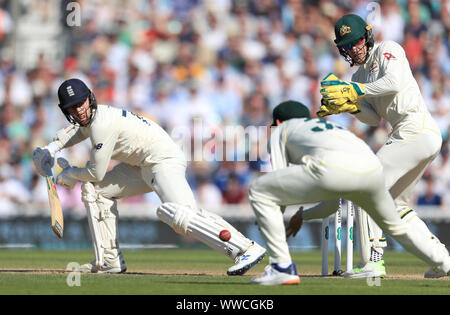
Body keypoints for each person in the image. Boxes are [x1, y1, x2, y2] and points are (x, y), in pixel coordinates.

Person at [32, 78, 265, 274]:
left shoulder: (101, 123)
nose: (79, 111)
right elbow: (78, 131)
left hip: (162, 160)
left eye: (81, 103)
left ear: (90, 97)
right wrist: (51, 149)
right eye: (72, 108)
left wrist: (70, 174)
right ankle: (108, 261)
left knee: (178, 215)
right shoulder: (93, 118)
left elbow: (95, 172)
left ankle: (244, 248)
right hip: (140, 165)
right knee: (96, 191)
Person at [248, 100, 449, 286]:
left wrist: (271, 212)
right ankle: (443, 262)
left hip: (331, 169)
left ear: (277, 121)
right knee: (396, 227)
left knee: (258, 190)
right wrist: (303, 215)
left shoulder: (281, 130)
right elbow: (332, 204)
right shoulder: (329, 130)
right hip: (372, 168)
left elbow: (278, 181)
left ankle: (281, 267)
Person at [317, 14, 445, 278]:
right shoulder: (361, 73)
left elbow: (393, 83)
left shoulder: (389, 49)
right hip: (409, 135)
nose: (355, 48)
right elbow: (374, 118)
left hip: (416, 128)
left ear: (368, 36)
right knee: (396, 206)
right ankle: (442, 261)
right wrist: (351, 106)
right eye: (348, 45)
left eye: (358, 41)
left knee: (368, 187)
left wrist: (354, 90)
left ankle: (374, 262)